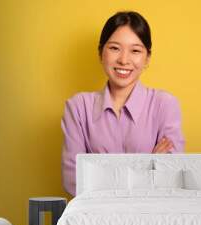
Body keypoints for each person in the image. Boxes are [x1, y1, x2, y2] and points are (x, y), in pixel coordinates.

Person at [61, 11, 185, 196]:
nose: (124, 60)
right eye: (114, 48)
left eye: (135, 50)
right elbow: (74, 181)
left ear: (147, 58)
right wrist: (148, 167)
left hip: (152, 218)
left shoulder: (165, 105)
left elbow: (170, 179)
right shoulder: (78, 108)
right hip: (96, 219)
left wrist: (100, 174)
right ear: (100, 53)